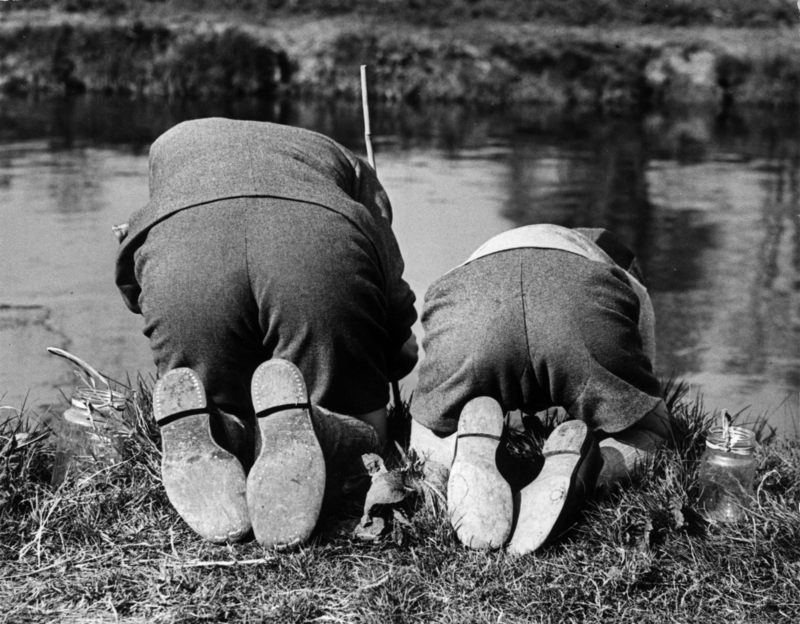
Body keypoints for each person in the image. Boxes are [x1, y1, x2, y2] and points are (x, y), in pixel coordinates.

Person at [115, 118, 418, 547]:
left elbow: (134, 288)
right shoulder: (345, 163)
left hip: (184, 254)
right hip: (318, 243)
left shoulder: (171, 146)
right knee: (367, 435)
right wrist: (391, 351)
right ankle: (318, 423)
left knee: (212, 394)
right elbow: (394, 310)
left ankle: (222, 430)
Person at [409, 224, 672, 555]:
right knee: (655, 429)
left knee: (430, 423)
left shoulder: (504, 243)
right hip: (579, 303)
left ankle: (449, 464)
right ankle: (590, 472)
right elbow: (646, 397)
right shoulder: (625, 278)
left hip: (469, 299)